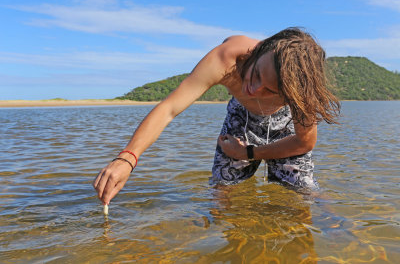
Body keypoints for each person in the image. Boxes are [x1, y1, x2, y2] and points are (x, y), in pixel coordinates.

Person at [93, 27, 340, 205]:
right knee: (222, 191)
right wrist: (127, 158)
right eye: (255, 75)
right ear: (262, 49)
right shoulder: (227, 58)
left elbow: (304, 141)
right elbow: (169, 109)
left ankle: (337, 231)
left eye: (270, 90)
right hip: (241, 117)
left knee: (305, 194)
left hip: (285, 124)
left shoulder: (302, 88)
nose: (253, 90)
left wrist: (249, 153)